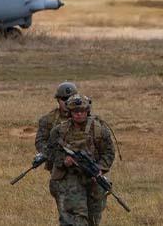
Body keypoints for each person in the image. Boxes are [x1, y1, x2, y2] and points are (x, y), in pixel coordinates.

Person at [46, 94, 115, 226]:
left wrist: (100, 168)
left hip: (93, 179)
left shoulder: (99, 130)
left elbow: (109, 152)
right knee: (78, 218)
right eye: (75, 112)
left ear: (87, 111)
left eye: (82, 111)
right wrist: (63, 160)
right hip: (70, 179)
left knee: (93, 219)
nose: (79, 114)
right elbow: (49, 151)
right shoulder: (59, 131)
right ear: (70, 112)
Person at [36, 81, 78, 207]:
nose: (66, 101)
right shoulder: (48, 120)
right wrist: (58, 156)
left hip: (82, 168)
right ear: (58, 100)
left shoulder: (83, 117)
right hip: (59, 168)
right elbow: (40, 143)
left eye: (70, 98)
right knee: (65, 207)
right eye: (63, 99)